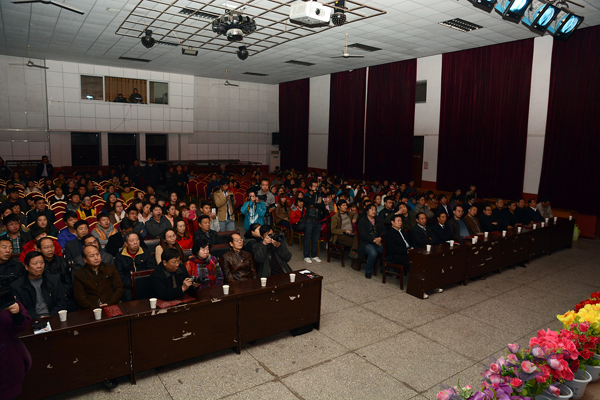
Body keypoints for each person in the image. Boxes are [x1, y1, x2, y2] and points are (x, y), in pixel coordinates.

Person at [11, 251, 67, 319]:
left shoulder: (54, 280)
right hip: (31, 320)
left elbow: (62, 302)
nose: (39, 266)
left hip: (54, 317)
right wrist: (38, 317)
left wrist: (51, 316)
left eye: (42, 262)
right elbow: (21, 309)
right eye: (35, 263)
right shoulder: (17, 286)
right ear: (26, 267)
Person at [73, 245, 124, 309]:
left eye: (97, 254)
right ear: (85, 259)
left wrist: (109, 304)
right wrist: (95, 308)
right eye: (92, 256)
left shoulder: (110, 268)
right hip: (90, 308)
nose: (96, 258)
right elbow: (80, 297)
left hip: (111, 304)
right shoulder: (79, 274)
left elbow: (119, 288)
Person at [0, 299, 32, 400]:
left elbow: (23, 326)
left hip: (9, 360)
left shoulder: (5, 298)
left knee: (11, 395)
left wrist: (17, 313)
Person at [114, 232, 157, 302]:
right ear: (126, 243)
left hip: (145, 282)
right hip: (128, 285)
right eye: (132, 241)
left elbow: (151, 269)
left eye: (137, 239)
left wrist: (142, 282)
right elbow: (120, 274)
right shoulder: (120, 256)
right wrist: (132, 283)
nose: (135, 242)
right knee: (128, 298)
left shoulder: (145, 253)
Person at [357, 204, 385, 279]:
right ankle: (368, 271)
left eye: (375, 210)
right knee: (373, 253)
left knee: (387, 250)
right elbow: (363, 234)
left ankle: (385, 269)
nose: (374, 211)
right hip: (366, 243)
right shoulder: (362, 220)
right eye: (372, 209)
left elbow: (384, 231)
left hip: (378, 242)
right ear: (367, 211)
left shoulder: (378, 220)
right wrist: (374, 240)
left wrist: (380, 238)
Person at [302, 180, 325, 264]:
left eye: (317, 186)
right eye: (314, 186)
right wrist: (316, 204)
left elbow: (322, 206)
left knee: (315, 239)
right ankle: (306, 256)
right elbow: (310, 202)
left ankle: (314, 255)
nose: (316, 188)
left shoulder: (319, 195)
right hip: (310, 219)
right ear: (310, 187)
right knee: (307, 239)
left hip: (317, 220)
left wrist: (315, 205)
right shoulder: (307, 195)